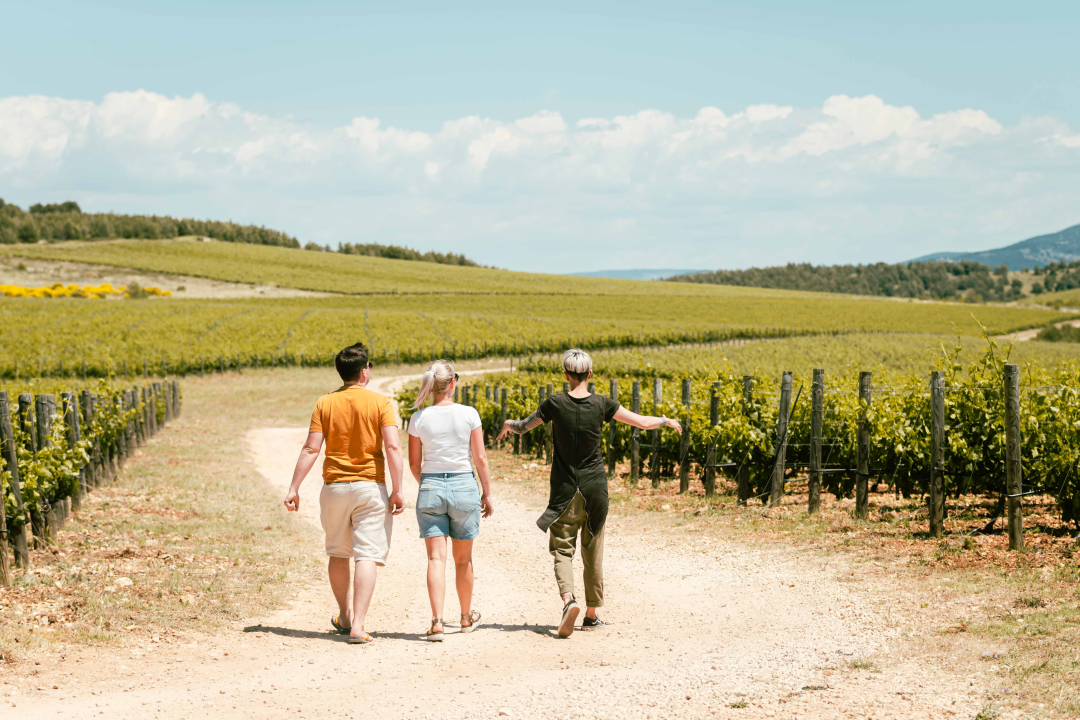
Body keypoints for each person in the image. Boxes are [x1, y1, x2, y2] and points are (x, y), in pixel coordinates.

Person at [497, 348, 681, 638]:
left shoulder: (554, 404)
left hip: (565, 490)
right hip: (596, 489)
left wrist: (508, 424)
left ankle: (569, 600)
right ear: (590, 374)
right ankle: (592, 615)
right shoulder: (603, 405)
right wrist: (665, 421)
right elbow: (641, 421)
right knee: (593, 552)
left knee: (562, 549)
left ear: (566, 374)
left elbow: (522, 427)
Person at [284, 342, 405, 644]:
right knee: (366, 555)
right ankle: (359, 626)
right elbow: (391, 446)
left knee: (338, 552)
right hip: (370, 487)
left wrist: (294, 487)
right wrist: (398, 489)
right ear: (365, 372)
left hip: (335, 487)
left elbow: (312, 447)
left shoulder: (325, 403)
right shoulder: (381, 403)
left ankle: (344, 614)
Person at [407, 360, 494, 641]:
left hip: (431, 484)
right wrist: (487, 492)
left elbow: (413, 463)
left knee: (435, 558)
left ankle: (437, 622)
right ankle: (466, 618)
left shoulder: (418, 419)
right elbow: (480, 458)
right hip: (464, 486)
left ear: (432, 386)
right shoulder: (469, 414)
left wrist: (430, 485)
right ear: (452, 383)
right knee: (463, 559)